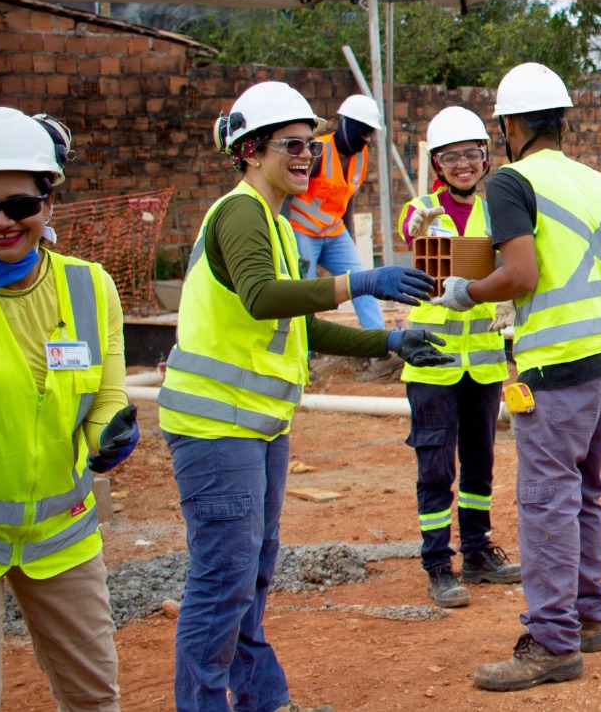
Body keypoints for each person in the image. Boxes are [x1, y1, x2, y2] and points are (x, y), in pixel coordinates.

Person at [157, 81, 450, 712]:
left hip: (258, 427)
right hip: (216, 432)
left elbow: (292, 324)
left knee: (251, 576)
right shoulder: (238, 213)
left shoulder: (279, 226)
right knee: (222, 584)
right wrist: (360, 279)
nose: (306, 157)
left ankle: (263, 699)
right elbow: (263, 296)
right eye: (291, 145)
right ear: (250, 151)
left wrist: (387, 344)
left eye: (310, 147)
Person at [431, 63, 601, 692]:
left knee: (546, 503)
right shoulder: (596, 180)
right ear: (563, 120)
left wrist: (467, 293)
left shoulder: (510, 182)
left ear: (510, 125)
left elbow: (521, 275)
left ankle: (551, 640)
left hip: (556, 365)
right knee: (586, 493)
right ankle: (586, 619)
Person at [0, 108, 137, 712]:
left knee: (94, 698)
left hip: (63, 530)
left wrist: (108, 432)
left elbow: (107, 392)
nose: (1, 222)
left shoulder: (90, 285)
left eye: (19, 205)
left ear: (49, 203)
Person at [396, 106, 520, 608]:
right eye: (452, 157)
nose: (464, 164)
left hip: (485, 362)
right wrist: (421, 227)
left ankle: (476, 551)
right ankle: (437, 563)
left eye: (472, 154)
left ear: (486, 159)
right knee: (434, 466)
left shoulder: (497, 213)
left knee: (479, 463)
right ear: (437, 164)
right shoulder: (422, 208)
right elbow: (411, 229)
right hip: (434, 361)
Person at [287, 94, 385, 329]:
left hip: (334, 234)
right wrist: (282, 232)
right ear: (345, 124)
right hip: (303, 232)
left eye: (370, 133)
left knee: (363, 283)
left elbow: (348, 196)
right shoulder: (317, 151)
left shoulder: (361, 156)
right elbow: (287, 190)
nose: (367, 139)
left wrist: (348, 235)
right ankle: (304, 356)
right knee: (304, 295)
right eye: (363, 132)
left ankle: (380, 347)